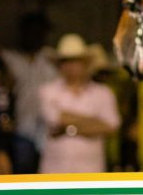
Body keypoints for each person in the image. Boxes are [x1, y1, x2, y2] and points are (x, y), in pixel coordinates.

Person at [38, 34, 120, 174]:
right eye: (66, 61)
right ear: (59, 65)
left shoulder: (103, 93)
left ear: (86, 64)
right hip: (54, 174)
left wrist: (68, 130)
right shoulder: (47, 91)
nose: (70, 66)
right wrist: (95, 121)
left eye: (75, 61)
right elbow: (57, 118)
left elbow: (111, 126)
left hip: (91, 174)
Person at [0, 11, 57, 173]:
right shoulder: (9, 59)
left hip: (49, 130)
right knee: (23, 174)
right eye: (32, 31)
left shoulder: (50, 59)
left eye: (40, 32)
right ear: (23, 32)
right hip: (22, 127)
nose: (36, 36)